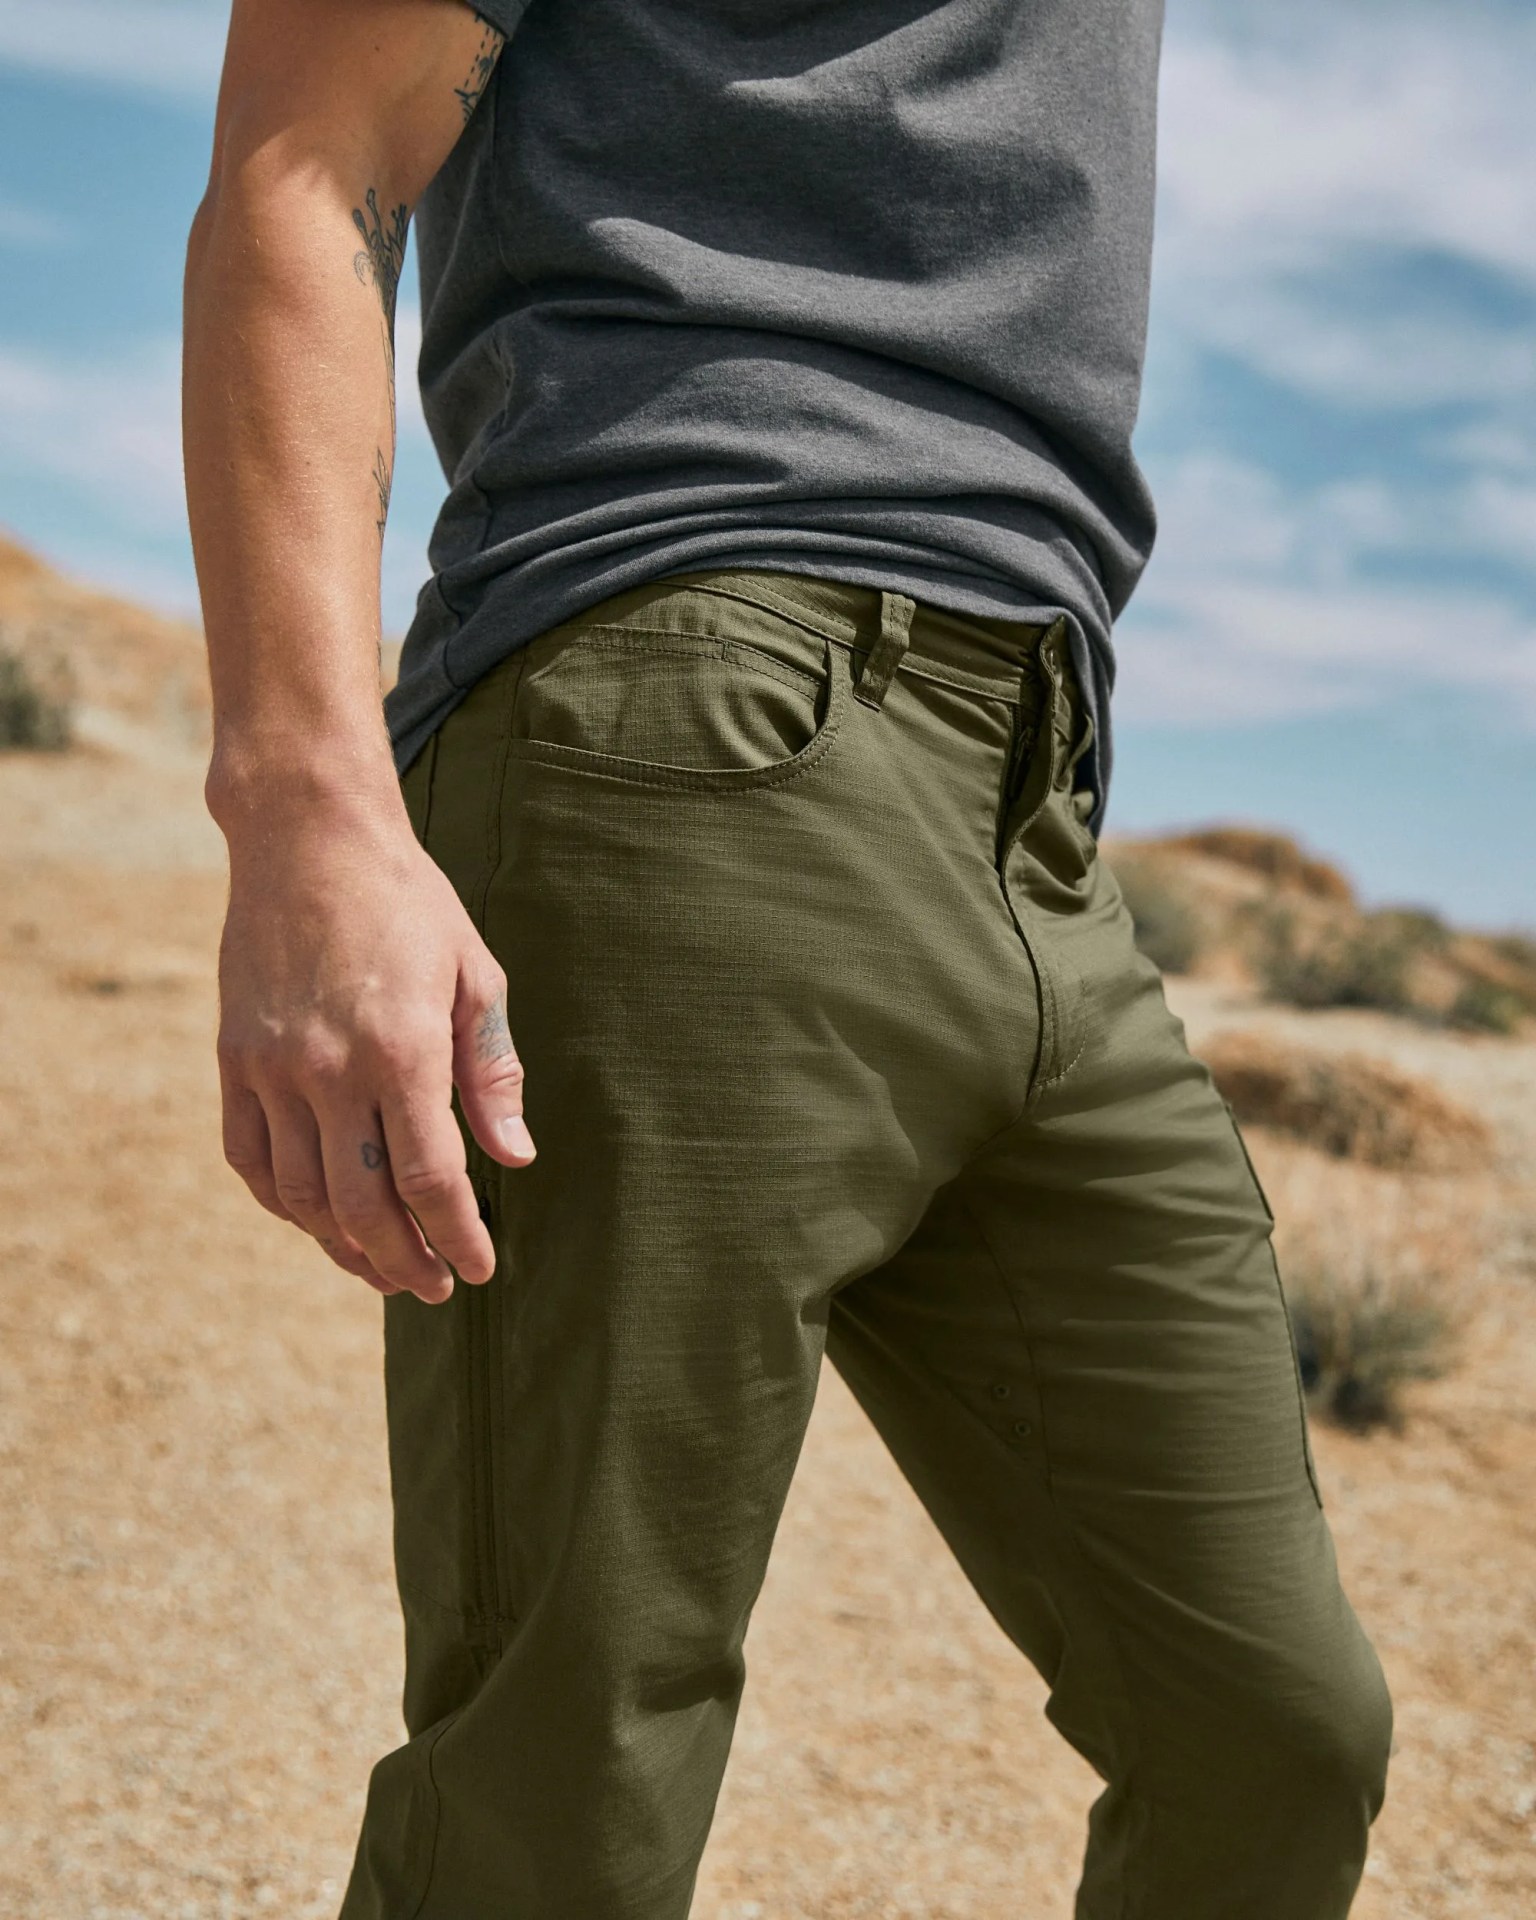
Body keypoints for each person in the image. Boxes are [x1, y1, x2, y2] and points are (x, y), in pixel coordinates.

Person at [182, 1, 1393, 1914]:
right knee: (568, 1786)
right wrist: (302, 804)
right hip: (689, 699)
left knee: (1272, 1732)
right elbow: (308, 156)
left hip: (1042, 809)